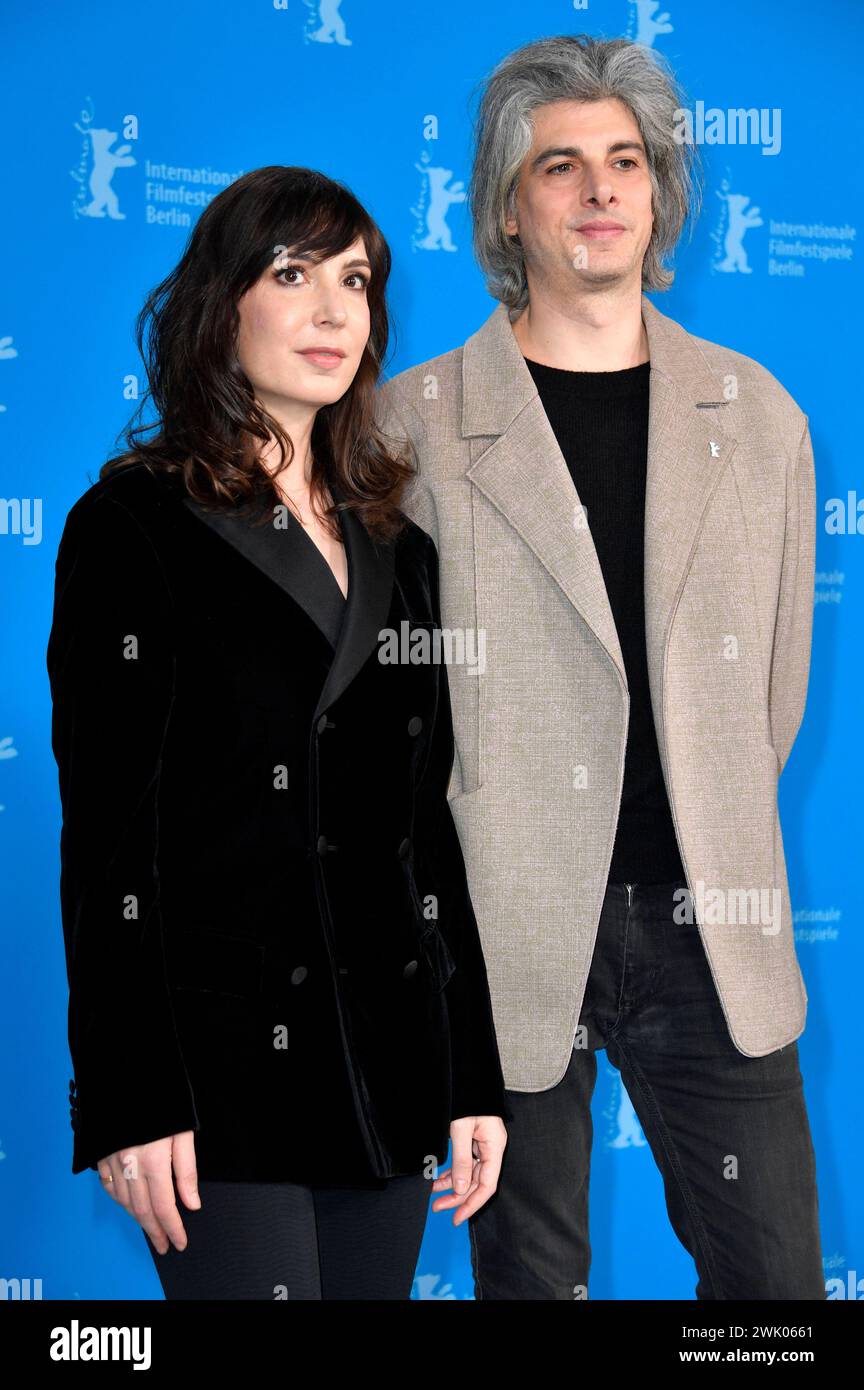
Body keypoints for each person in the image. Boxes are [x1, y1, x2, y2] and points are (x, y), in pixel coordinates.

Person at [375, 34, 824, 1300]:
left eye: (625, 161)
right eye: (560, 166)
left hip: (709, 928)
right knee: (530, 1284)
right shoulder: (412, 427)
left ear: (661, 191)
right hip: (503, 931)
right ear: (506, 208)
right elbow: (396, 715)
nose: (599, 190)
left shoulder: (762, 416)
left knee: (777, 1294)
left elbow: (770, 696)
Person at [46, 165, 509, 1301]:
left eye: (355, 280)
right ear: (223, 304)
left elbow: (423, 831)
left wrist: (470, 1072)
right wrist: (129, 1093)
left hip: (384, 1072)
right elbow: (109, 839)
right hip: (218, 1085)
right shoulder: (136, 524)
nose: (333, 308)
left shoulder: (403, 550)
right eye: (293, 272)